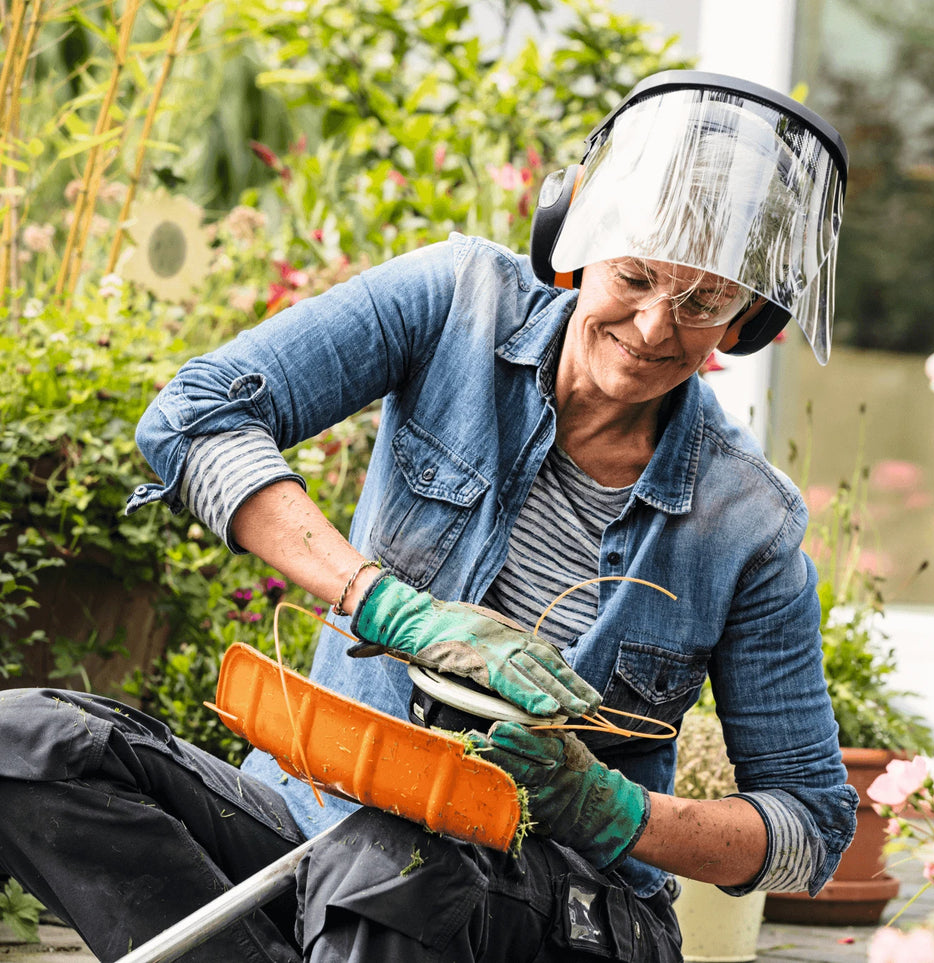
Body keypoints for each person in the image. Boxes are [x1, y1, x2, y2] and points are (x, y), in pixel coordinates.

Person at [0, 70, 855, 962]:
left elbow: (810, 827)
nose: (652, 326)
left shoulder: (749, 522)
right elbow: (192, 416)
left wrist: (608, 805)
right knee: (29, 744)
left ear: (750, 315)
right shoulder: (457, 300)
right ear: (577, 241)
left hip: (554, 900)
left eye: (703, 302)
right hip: (312, 820)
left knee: (390, 860)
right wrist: (388, 606)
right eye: (635, 276)